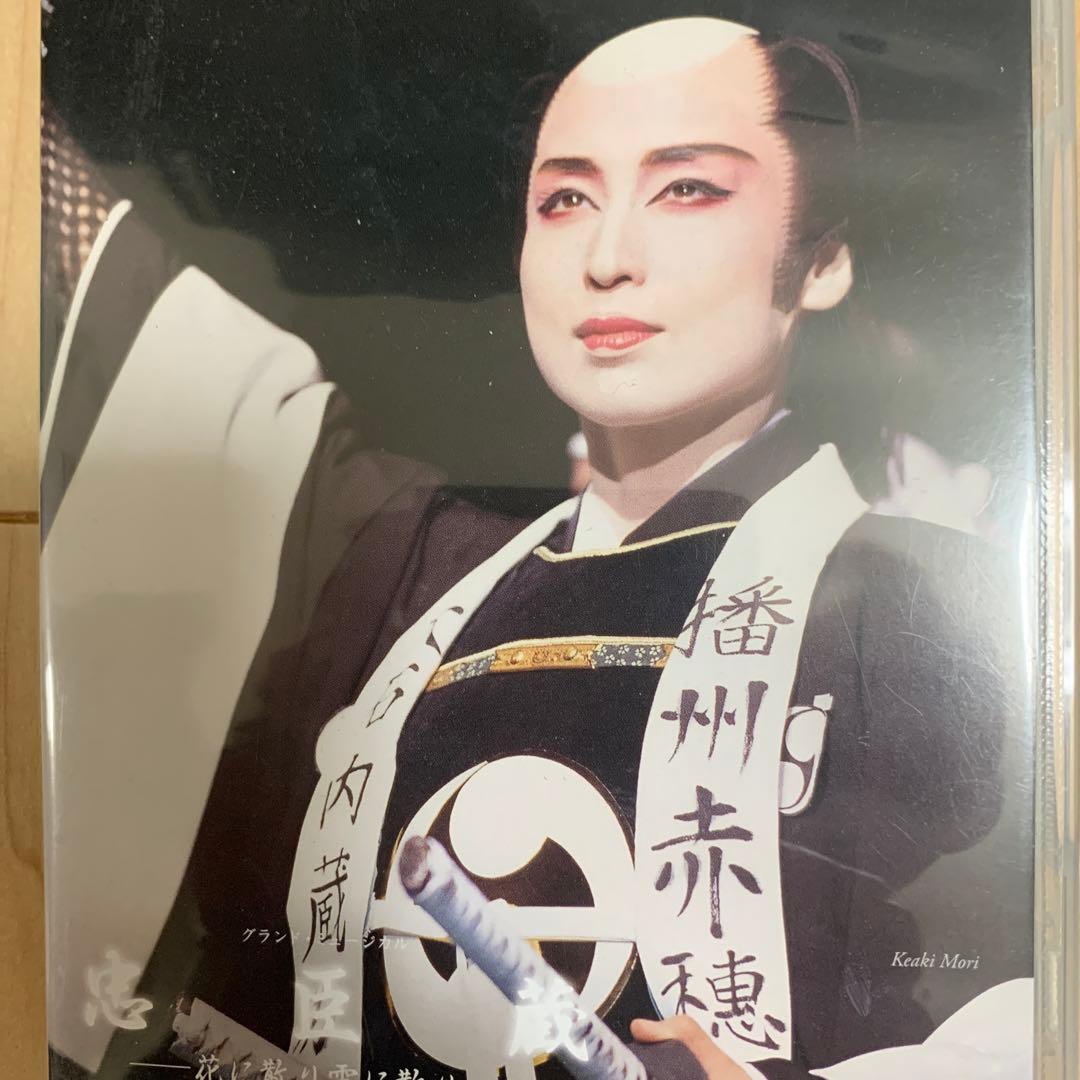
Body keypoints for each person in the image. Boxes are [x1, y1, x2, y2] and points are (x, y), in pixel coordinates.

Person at [42, 16, 1033, 1080]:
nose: (607, 259)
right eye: (565, 200)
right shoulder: (406, 567)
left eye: (687, 189)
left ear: (823, 258)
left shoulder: (925, 604)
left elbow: (1024, 996)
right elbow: (138, 322)